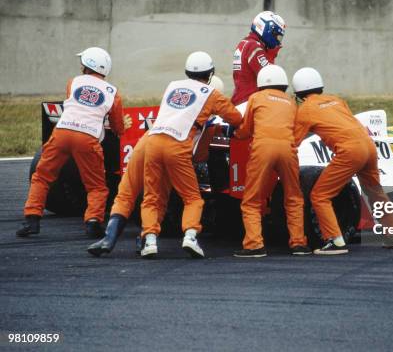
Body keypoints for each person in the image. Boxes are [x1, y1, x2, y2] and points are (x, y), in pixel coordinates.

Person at [86, 76, 229, 257]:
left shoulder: (179, 96)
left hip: (149, 140)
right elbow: (200, 155)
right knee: (158, 198)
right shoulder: (211, 119)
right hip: (172, 150)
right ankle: (148, 238)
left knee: (126, 193)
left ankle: (109, 239)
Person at [140, 52, 242, 259]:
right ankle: (190, 236)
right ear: (210, 74)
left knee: (152, 197)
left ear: (187, 71)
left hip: (152, 141)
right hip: (177, 147)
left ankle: (149, 240)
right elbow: (236, 117)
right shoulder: (211, 93)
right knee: (193, 198)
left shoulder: (172, 85)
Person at [292, 67, 393, 255]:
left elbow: (293, 141)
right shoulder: (337, 100)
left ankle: (335, 241)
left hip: (349, 151)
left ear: (299, 92)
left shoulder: (306, 109)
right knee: (374, 190)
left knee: (320, 196)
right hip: (369, 146)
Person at [18, 47, 126, 239]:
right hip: (88, 138)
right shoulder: (113, 92)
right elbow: (118, 126)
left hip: (61, 132)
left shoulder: (73, 82)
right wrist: (118, 131)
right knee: (96, 186)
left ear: (86, 66)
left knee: (42, 176)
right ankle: (93, 222)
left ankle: (31, 220)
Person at [233, 64, 310, 258]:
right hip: (287, 149)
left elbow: (245, 130)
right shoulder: (291, 102)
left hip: (263, 148)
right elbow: (296, 129)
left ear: (261, 84)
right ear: (283, 84)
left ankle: (254, 245)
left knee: (251, 200)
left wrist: (233, 132)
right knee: (293, 197)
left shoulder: (256, 98)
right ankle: (299, 243)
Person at [231, 11, 286, 105]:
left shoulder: (245, 43)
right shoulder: (254, 46)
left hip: (241, 100)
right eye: (278, 37)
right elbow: (270, 78)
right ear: (268, 30)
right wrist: (273, 52)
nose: (278, 42)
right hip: (248, 103)